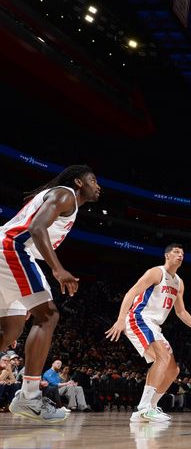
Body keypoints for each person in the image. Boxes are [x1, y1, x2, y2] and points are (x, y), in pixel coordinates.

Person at [0, 165, 100, 422]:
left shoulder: (65, 200)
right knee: (48, 315)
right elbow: (36, 228)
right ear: (79, 182)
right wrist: (58, 270)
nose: (98, 185)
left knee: (9, 331)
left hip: (7, 251)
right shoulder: (65, 194)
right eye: (93, 180)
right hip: (13, 249)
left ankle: (28, 397)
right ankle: (29, 397)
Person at [105, 244, 191, 423]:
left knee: (173, 370)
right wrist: (120, 319)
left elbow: (181, 312)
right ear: (167, 255)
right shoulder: (155, 272)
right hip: (138, 318)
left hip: (154, 325)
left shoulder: (179, 282)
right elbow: (131, 292)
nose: (180, 255)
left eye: (182, 253)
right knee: (163, 358)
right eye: (176, 252)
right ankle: (143, 407)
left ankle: (149, 407)